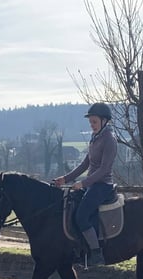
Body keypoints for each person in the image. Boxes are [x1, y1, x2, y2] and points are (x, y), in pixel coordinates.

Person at [54, 102, 117, 267]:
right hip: (91, 184)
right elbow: (84, 165)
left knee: (81, 216)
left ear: (104, 121)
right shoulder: (95, 138)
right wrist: (65, 179)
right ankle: (79, 249)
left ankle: (96, 254)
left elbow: (104, 169)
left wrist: (83, 183)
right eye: (90, 122)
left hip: (102, 185)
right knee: (70, 208)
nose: (92, 125)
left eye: (94, 122)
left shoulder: (109, 140)